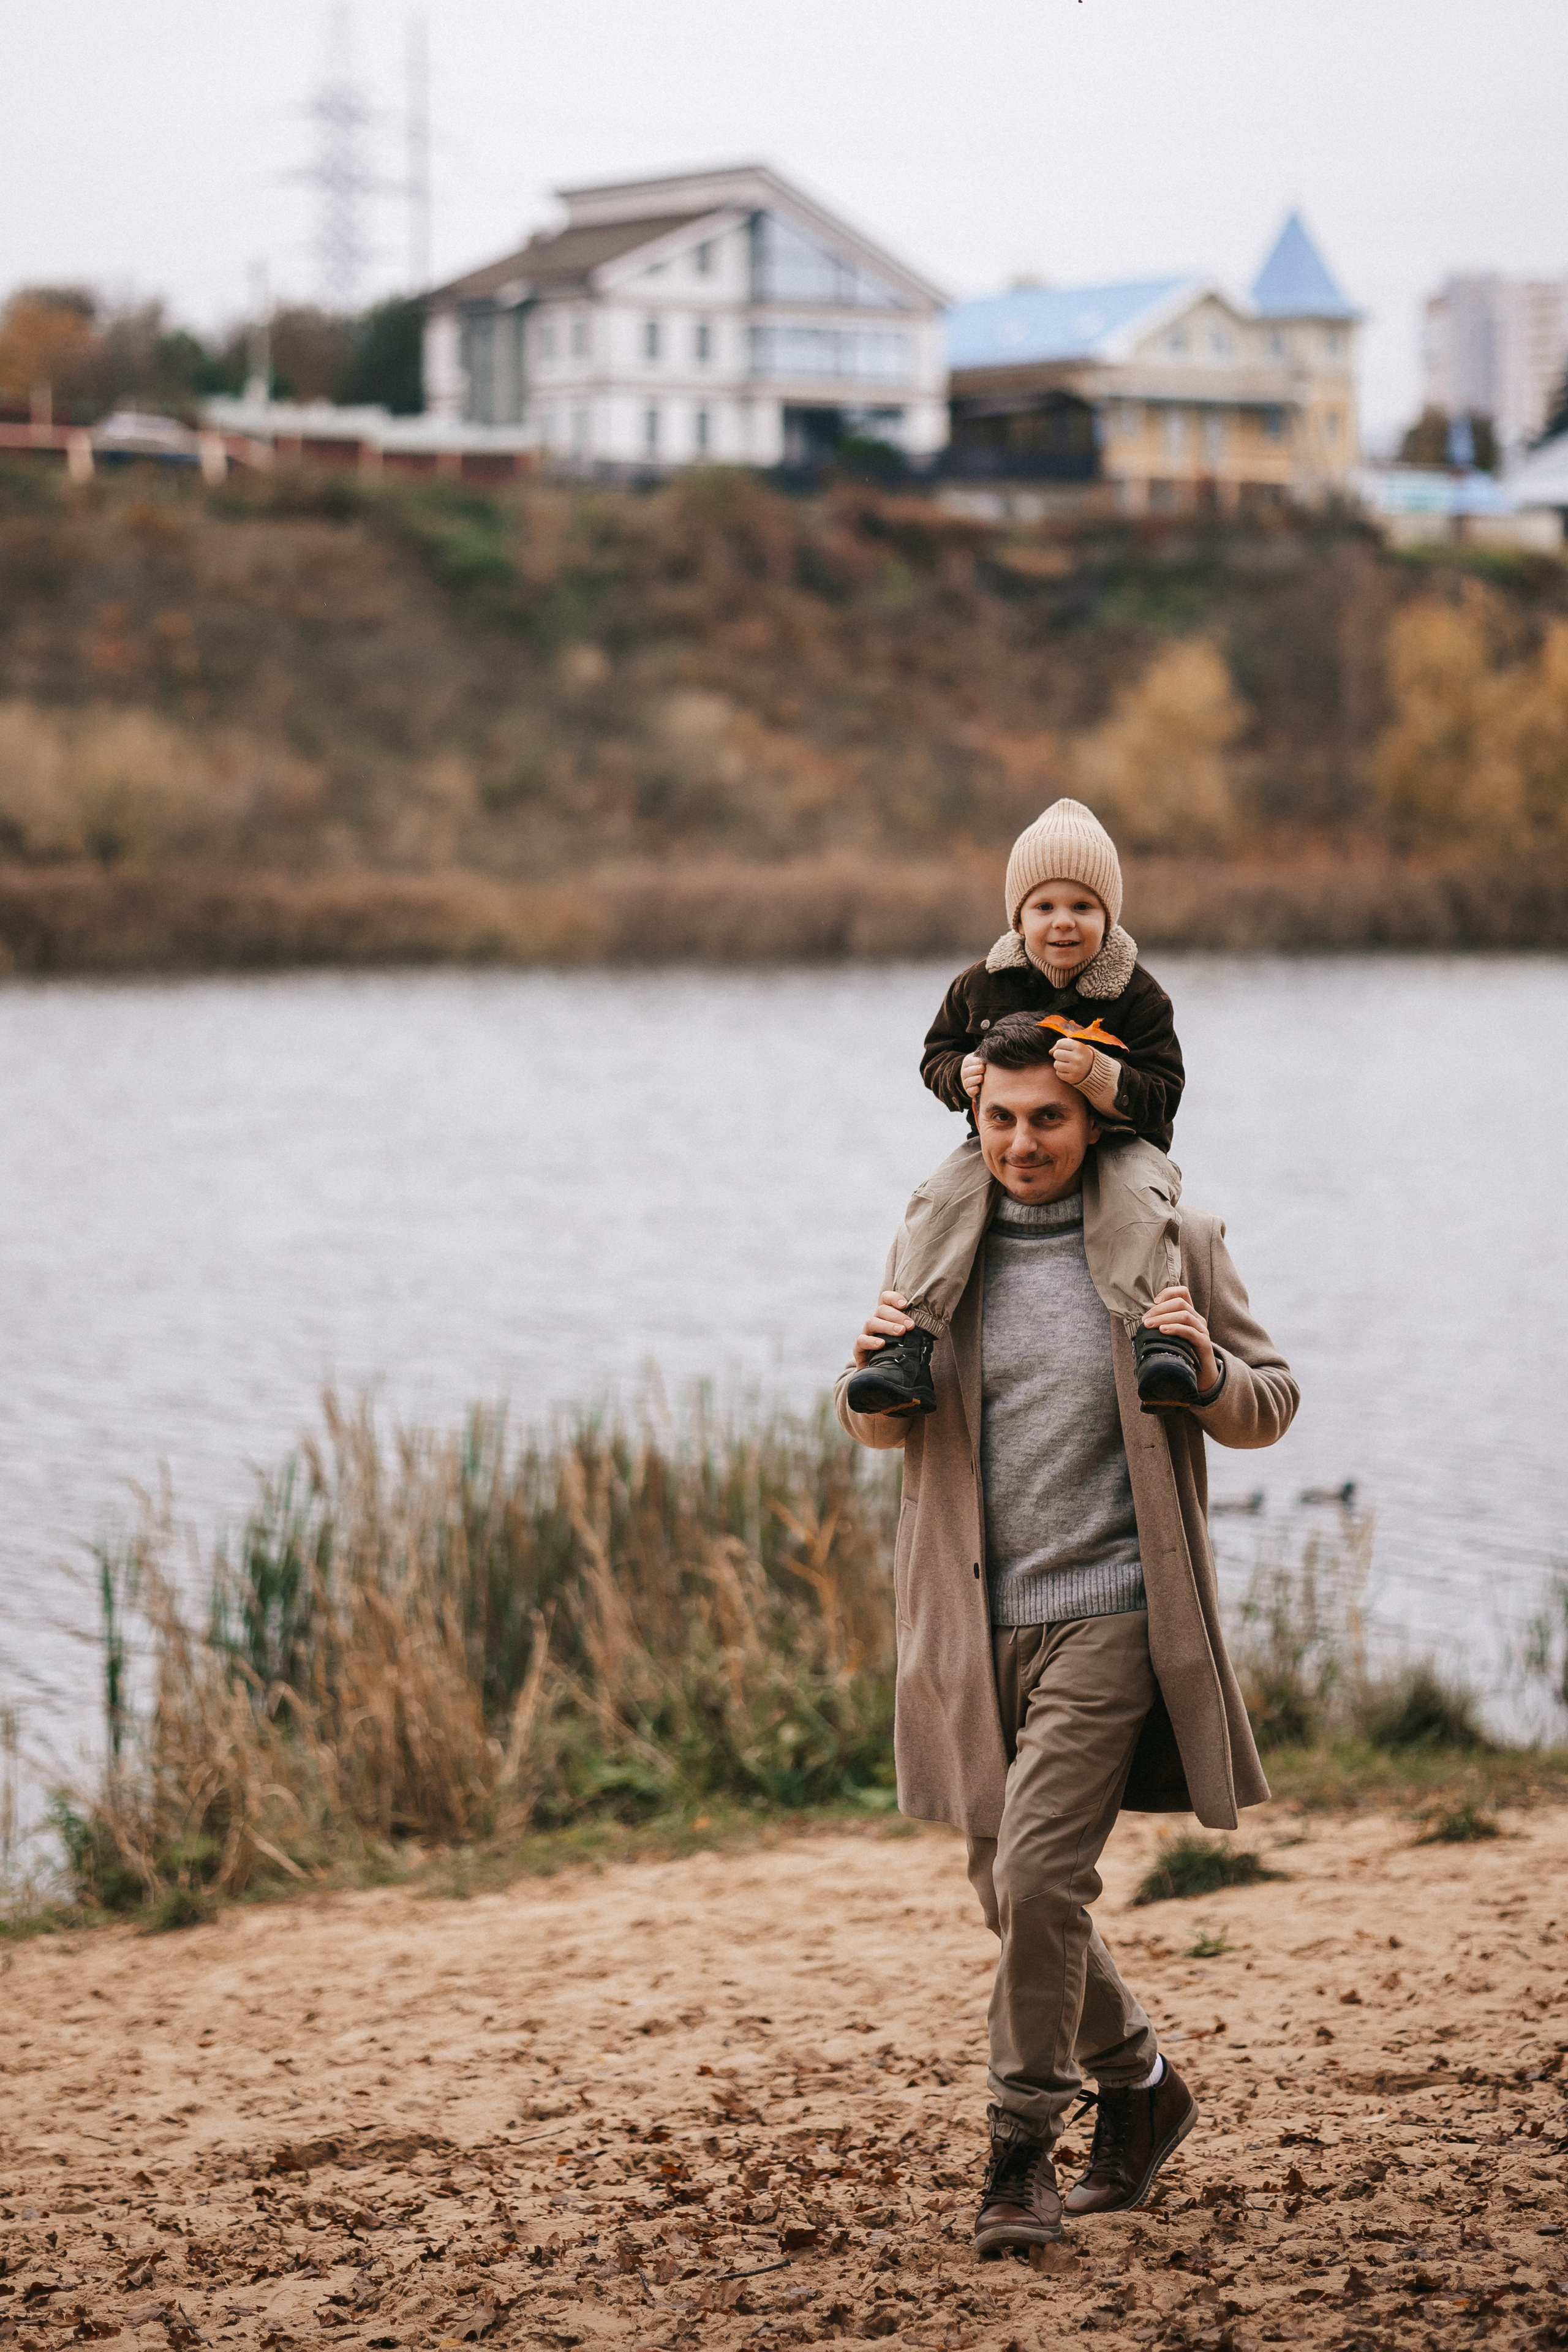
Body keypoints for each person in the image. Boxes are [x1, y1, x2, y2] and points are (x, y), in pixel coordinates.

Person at [835, 1013, 1298, 2254]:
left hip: (1109, 1614)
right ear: (971, 1117)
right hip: (970, 1623)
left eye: (1049, 1118)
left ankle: (1017, 2154)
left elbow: (1268, 1403)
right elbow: (879, 1427)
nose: (1023, 1142)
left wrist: (1201, 1376)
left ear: (1094, 1117)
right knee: (1004, 1886)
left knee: (1039, 1879)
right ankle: (1142, 2089)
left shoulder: (1169, 1242)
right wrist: (861, 1375)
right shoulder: (940, 1247)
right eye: (1000, 1119)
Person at [843, 797, 1199, 1421]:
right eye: (1045, 907)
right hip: (1004, 1142)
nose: (1063, 923)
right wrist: (962, 1075)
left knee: (1138, 1196)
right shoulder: (982, 983)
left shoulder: (1139, 995)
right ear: (1019, 917)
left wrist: (1098, 1075)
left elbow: (1164, 1088)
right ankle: (909, 1344)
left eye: (1082, 907)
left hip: (1123, 1139)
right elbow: (935, 1054)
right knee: (940, 1197)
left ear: (1108, 917)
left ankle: (1158, 1337)